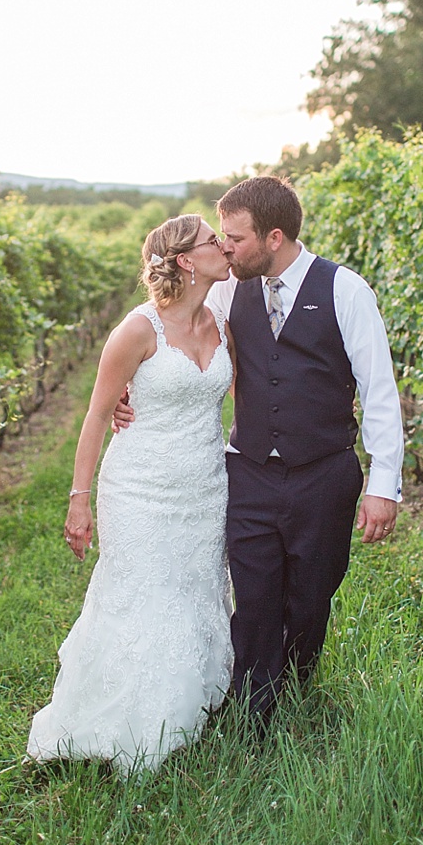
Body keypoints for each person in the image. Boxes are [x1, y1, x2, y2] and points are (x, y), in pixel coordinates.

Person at [115, 175, 404, 731]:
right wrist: (131, 385)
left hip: (324, 472)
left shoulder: (346, 291)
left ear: (274, 237)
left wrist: (382, 484)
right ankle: (251, 712)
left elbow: (379, 391)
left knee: (310, 595)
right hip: (247, 470)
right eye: (219, 237)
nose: (224, 248)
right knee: (253, 593)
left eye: (235, 238)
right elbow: (167, 322)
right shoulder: (226, 289)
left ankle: (295, 692)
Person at [27, 213, 236, 776]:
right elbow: (97, 415)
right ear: (187, 261)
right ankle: (125, 723)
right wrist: (78, 498)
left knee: (194, 591)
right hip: (140, 490)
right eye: (212, 240)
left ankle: (186, 706)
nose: (224, 245)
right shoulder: (138, 331)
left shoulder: (223, 318)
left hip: (205, 487)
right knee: (141, 594)